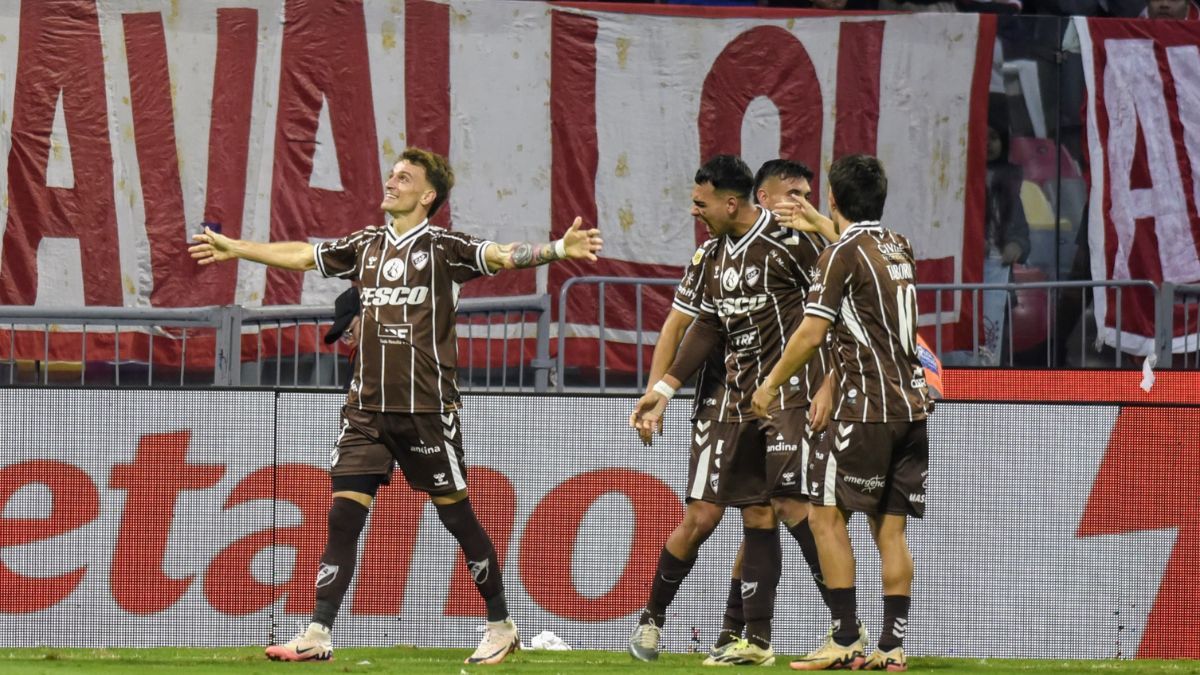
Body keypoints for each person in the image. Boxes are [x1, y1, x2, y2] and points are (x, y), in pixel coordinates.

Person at [189, 147, 603, 665]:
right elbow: (303, 254)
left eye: (404, 177)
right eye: (391, 174)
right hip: (365, 411)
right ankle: (318, 631)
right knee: (343, 517)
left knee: (458, 519)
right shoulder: (366, 245)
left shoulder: (444, 248)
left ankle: (501, 624)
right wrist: (236, 250)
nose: (392, 181)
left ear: (427, 195)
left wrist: (558, 249)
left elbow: (501, 255)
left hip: (425, 410)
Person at [628, 160, 848, 664]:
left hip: (788, 394)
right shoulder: (709, 256)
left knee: (788, 507)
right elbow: (702, 327)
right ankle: (655, 623)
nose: (693, 210)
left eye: (700, 202)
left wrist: (830, 385)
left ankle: (840, 628)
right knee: (705, 515)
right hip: (728, 398)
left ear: (732, 202)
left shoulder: (793, 243)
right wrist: (661, 390)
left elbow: (836, 312)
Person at [749, 154, 932, 671]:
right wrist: (820, 225)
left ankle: (846, 636)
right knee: (890, 531)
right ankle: (893, 647)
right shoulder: (899, 245)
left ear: (831, 196)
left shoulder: (836, 257)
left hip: (865, 411)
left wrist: (768, 386)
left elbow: (810, 334)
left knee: (826, 516)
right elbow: (858, 251)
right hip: (913, 408)